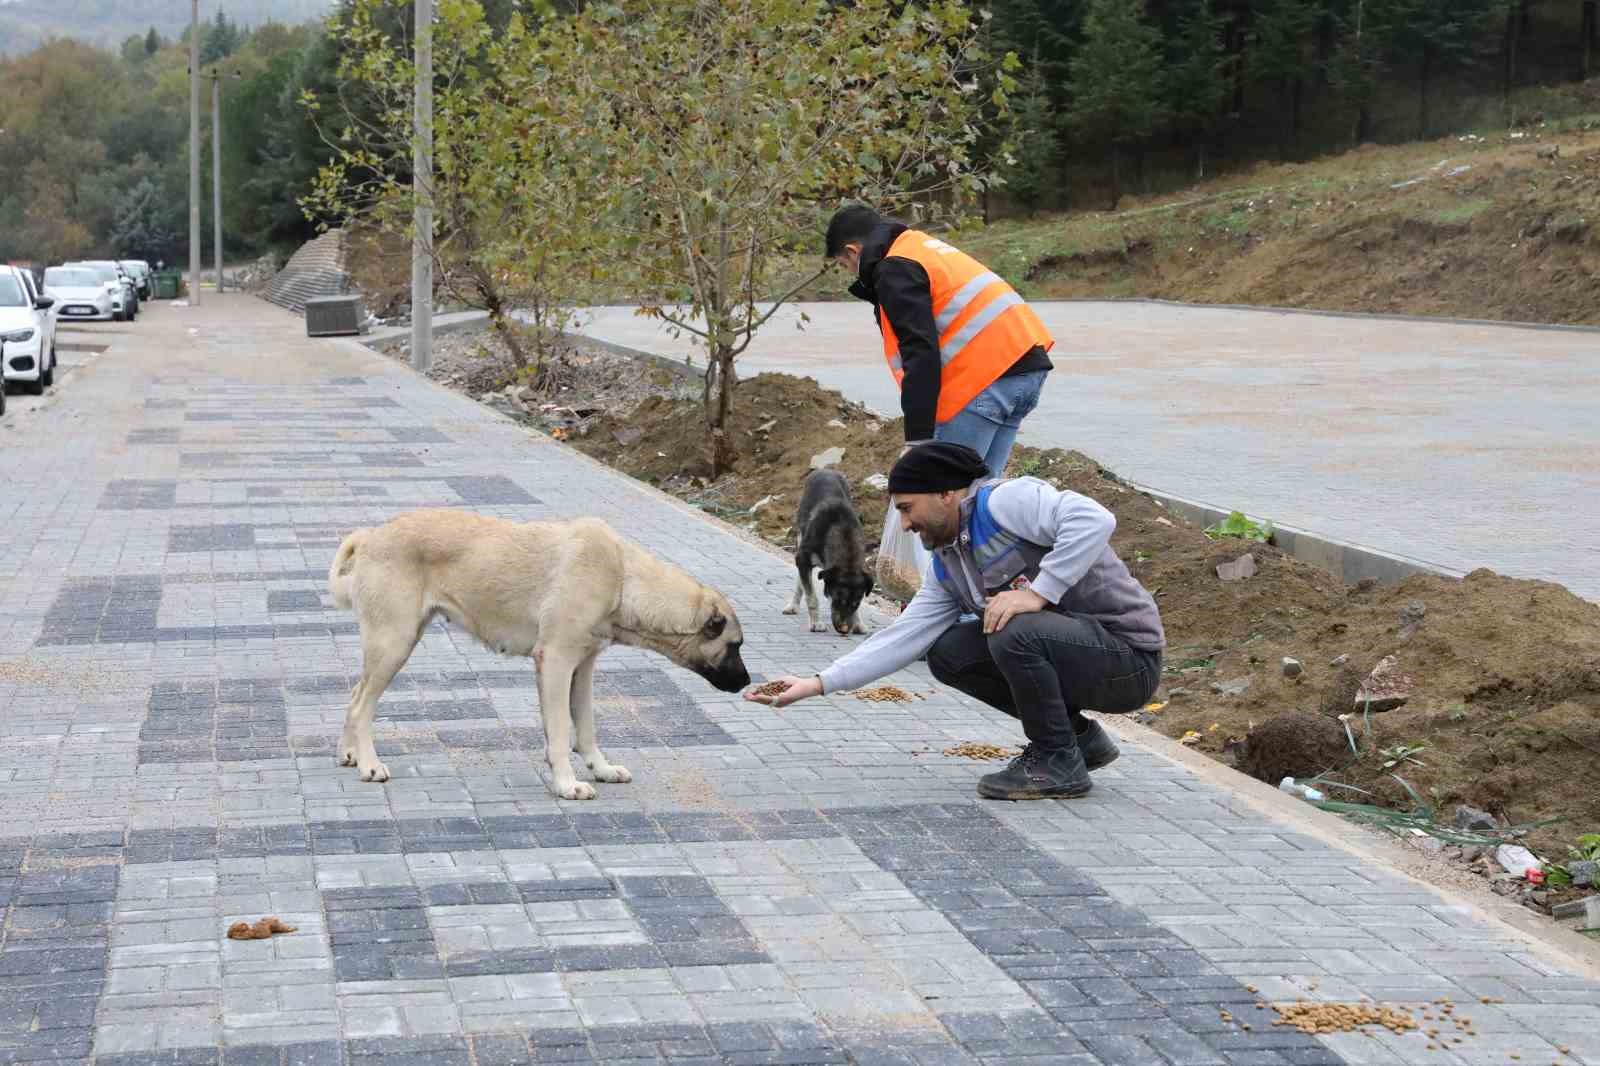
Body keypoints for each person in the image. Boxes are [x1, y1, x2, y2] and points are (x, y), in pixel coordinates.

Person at [748, 443, 1165, 801]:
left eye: (907, 509)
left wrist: (1039, 592)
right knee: (949, 651)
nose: (905, 525)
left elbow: (1095, 519)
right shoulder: (948, 563)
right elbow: (903, 637)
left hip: (1127, 660)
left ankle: (1056, 762)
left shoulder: (1004, 503)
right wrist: (817, 683)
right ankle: (1075, 740)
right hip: (1076, 655)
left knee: (1011, 627)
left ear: (946, 493)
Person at [825, 204, 1055, 479]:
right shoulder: (919, 246)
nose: (851, 272)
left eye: (845, 265)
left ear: (853, 251)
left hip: (985, 380)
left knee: (937, 488)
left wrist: (917, 439)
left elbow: (919, 351)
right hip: (1025, 369)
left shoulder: (895, 267)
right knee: (979, 490)